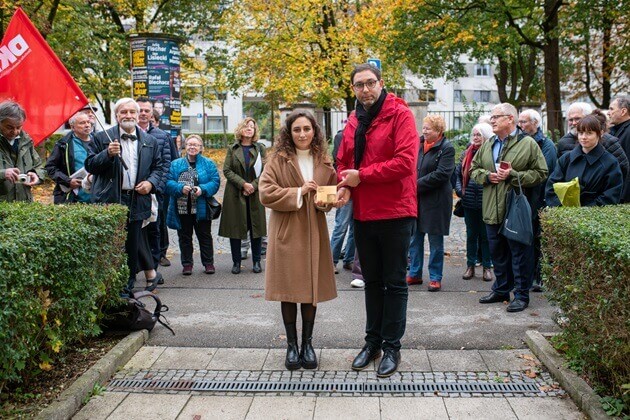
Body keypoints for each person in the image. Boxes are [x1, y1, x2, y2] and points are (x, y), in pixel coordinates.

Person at [337, 63, 419, 377]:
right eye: (359, 85)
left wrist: (362, 177)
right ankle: (372, 343)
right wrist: (344, 184)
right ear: (354, 89)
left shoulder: (400, 115)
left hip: (396, 210)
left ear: (381, 83)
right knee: (371, 282)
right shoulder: (353, 120)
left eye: (370, 83)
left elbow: (405, 162)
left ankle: (392, 347)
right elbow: (343, 160)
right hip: (363, 212)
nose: (365, 89)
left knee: (395, 282)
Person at [259, 110, 339, 370]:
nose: (302, 134)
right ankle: (291, 346)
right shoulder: (277, 159)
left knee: (310, 290)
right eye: (297, 129)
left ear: (314, 131)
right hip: (287, 231)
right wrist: (299, 192)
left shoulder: (324, 161)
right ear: (289, 133)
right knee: (289, 289)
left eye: (307, 129)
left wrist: (324, 201)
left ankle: (308, 344)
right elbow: (266, 193)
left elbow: (330, 195)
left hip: (314, 231)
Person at [470, 103, 548, 313]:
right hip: (491, 209)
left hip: (514, 210)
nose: (492, 120)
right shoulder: (489, 144)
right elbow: (474, 168)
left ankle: (521, 295)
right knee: (498, 253)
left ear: (510, 119)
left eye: (497, 117)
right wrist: (487, 176)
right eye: (492, 117)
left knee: (519, 254)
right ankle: (501, 289)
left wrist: (515, 176)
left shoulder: (528, 144)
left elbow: (541, 173)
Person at [85, 97, 163, 296]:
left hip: (137, 199)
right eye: (123, 112)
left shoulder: (150, 141)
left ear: (138, 115)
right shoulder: (102, 137)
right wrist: (107, 154)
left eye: (132, 112)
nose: (128, 115)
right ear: (116, 115)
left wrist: (151, 183)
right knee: (111, 245)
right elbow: (90, 165)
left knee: (132, 245)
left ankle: (127, 288)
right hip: (109, 199)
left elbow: (159, 167)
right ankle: (109, 288)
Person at [407, 115, 455, 292]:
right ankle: (415, 273)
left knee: (435, 241)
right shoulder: (418, 145)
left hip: (436, 200)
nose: (424, 131)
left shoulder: (446, 148)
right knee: (414, 239)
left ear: (439, 131)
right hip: (417, 199)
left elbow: (442, 175)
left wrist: (413, 185)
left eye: (428, 129)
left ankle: (435, 277)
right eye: (424, 127)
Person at [166, 135, 221, 275]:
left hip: (201, 206)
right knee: (184, 237)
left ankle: (208, 263)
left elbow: (215, 181)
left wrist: (202, 189)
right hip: (181, 208)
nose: (192, 147)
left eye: (196, 145)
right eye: (189, 144)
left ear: (201, 147)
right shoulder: (175, 164)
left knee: (205, 236)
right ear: (185, 146)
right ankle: (187, 264)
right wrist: (180, 188)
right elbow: (167, 182)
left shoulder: (208, 163)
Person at [219, 117, 267, 274]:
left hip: (255, 193)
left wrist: (252, 185)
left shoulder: (260, 148)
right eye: (247, 126)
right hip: (235, 193)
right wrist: (243, 184)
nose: (249, 129)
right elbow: (227, 170)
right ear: (240, 129)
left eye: (252, 127)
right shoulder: (232, 149)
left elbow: (266, 172)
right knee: (236, 228)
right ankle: (236, 262)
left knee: (256, 228)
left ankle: (257, 262)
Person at [517, 109, 557, 292]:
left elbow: (543, 173)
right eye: (520, 122)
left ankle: (537, 277)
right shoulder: (519, 141)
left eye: (524, 122)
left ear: (535, 123)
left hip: (538, 200)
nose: (521, 125)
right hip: (521, 199)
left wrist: (518, 174)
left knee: (537, 241)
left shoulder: (547, 145)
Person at [546, 114, 623, 207]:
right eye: (581, 133)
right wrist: (562, 208)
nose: (583, 137)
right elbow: (551, 188)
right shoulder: (566, 159)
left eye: (589, 133)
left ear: (600, 133)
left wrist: (584, 211)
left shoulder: (610, 162)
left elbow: (610, 196)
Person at [136, 97, 174, 270]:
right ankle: (135, 268)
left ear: (152, 114)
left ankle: (153, 269)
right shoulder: (123, 135)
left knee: (154, 231)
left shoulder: (162, 136)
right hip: (131, 193)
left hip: (154, 192)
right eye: (140, 110)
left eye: (146, 110)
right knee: (135, 232)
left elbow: (167, 164)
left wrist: (154, 186)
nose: (143, 113)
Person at [455, 123, 494, 282]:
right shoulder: (466, 153)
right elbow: (457, 174)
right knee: (471, 235)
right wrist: (460, 191)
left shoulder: (491, 153)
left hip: (487, 201)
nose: (476, 137)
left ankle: (487, 267)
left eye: (479, 134)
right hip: (469, 201)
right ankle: (470, 266)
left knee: (486, 236)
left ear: (486, 136)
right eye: (474, 135)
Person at [0, 100, 45, 202]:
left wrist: (36, 175)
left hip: (24, 206)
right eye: (9, 127)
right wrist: (3, 174)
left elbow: (39, 167)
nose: (15, 132)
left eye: (19, 127)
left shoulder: (26, 141)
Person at [45, 112, 93, 204]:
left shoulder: (98, 141)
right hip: (72, 197)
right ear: (72, 127)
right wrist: (67, 181)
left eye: (88, 122)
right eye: (82, 123)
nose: (87, 125)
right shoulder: (63, 144)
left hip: (96, 197)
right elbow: (50, 167)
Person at [329, 122, 355, 273]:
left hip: (360, 187)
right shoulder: (341, 136)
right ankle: (331, 261)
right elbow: (340, 163)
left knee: (355, 229)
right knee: (341, 225)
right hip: (345, 186)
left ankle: (349, 259)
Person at [609, 96, 630, 203]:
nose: (608, 113)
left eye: (611, 109)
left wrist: (623, 197)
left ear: (623, 111)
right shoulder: (617, 130)